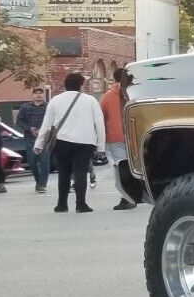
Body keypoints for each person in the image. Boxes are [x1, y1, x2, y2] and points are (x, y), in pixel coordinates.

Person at [33, 73, 105, 214]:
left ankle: (62, 204)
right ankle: (81, 204)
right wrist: (101, 145)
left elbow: (47, 125)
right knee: (81, 172)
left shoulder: (55, 100)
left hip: (62, 141)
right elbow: (99, 124)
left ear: (65, 85)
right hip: (85, 141)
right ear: (81, 85)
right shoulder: (91, 101)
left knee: (64, 172)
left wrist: (39, 143)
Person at [101, 68, 138, 210]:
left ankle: (127, 197)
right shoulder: (135, 94)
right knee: (137, 167)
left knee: (121, 168)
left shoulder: (107, 97)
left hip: (115, 137)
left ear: (114, 79)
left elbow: (102, 119)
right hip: (135, 136)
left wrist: (102, 139)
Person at [15, 88, 50, 193]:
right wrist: (29, 129)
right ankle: (38, 181)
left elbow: (54, 121)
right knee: (32, 162)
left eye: (40, 93)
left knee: (45, 162)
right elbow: (19, 121)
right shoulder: (25, 107)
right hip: (30, 139)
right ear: (32, 95)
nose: (38, 95)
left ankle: (42, 185)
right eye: (36, 93)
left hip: (45, 139)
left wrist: (42, 130)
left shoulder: (48, 107)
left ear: (43, 95)